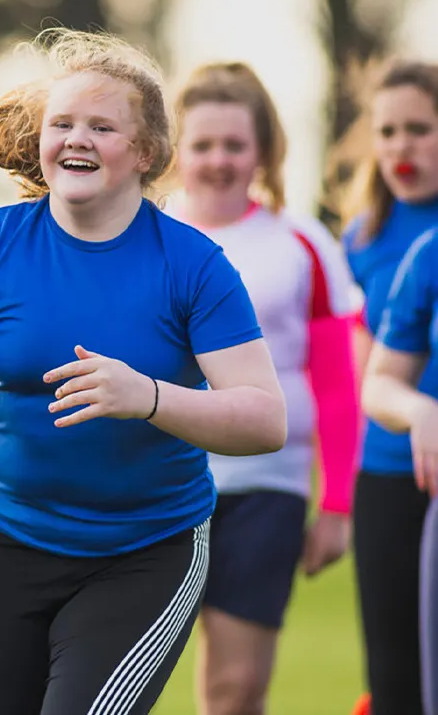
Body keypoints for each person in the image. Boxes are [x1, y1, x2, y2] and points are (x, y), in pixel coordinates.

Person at [0, 29, 287, 715]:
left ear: (145, 152)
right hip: (5, 541)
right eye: (62, 123)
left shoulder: (192, 265)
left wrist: (146, 396)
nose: (76, 138)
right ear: (40, 141)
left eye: (101, 126)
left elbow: (265, 418)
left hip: (147, 552)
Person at [167, 62, 359, 715]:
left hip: (265, 490)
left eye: (235, 145)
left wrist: (335, 503)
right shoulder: (139, 233)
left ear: (264, 151)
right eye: (202, 144)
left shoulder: (301, 241)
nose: (218, 161)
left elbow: (336, 382)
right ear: (174, 149)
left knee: (237, 689)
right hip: (154, 488)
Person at [339, 60, 438, 715]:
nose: (401, 146)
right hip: (389, 469)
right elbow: (369, 373)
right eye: (389, 131)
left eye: (420, 130)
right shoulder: (362, 238)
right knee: (396, 669)